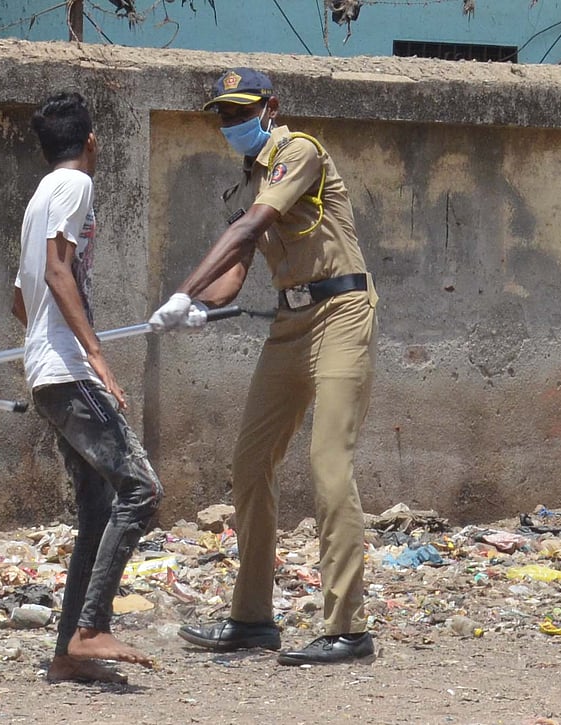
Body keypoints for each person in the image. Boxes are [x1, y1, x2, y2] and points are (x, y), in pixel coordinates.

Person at [150, 68, 378, 665]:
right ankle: (252, 618)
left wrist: (181, 289)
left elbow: (254, 225)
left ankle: (348, 629)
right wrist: (197, 307)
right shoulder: (248, 181)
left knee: (329, 464)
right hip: (289, 322)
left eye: (240, 111)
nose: (231, 123)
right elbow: (237, 267)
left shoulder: (298, 151)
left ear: (270, 106)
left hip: (341, 313)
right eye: (223, 114)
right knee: (250, 464)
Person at [12, 92, 163, 683]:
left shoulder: (38, 198)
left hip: (47, 371)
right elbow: (56, 271)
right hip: (69, 370)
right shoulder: (75, 186)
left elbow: (20, 300)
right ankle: (92, 626)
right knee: (141, 490)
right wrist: (96, 356)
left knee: (98, 510)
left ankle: (67, 655)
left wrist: (52, 342)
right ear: (91, 141)